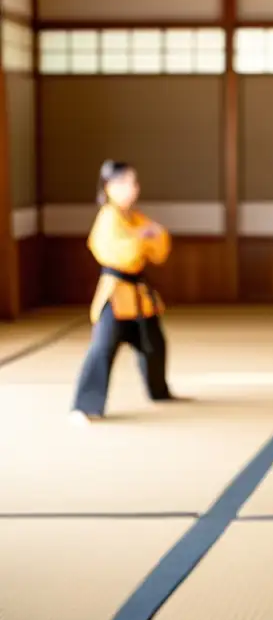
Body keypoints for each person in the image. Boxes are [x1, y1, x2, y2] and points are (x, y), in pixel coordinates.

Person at [69, 160, 179, 424]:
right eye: (126, 182)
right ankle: (84, 406)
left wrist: (144, 235)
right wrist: (142, 237)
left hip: (138, 296)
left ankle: (158, 390)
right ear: (110, 187)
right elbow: (119, 252)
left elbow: (160, 245)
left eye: (134, 182)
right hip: (115, 293)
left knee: (154, 344)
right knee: (102, 348)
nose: (132, 188)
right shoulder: (108, 217)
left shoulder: (134, 217)